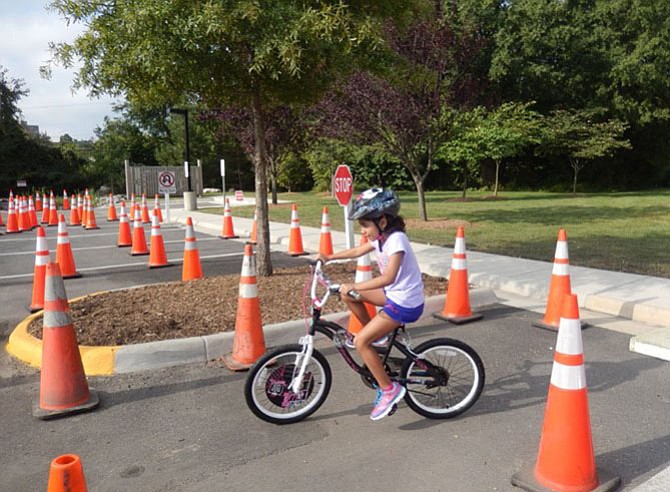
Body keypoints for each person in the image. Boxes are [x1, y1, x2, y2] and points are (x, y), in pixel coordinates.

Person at [317, 188, 424, 420]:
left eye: (365, 225)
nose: (363, 232)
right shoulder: (380, 239)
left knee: (360, 341)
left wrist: (356, 286)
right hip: (394, 296)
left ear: (382, 221)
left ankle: (389, 390)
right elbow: (357, 251)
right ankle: (379, 337)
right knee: (348, 297)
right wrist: (328, 257)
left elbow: (388, 278)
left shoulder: (397, 240)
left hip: (405, 303)